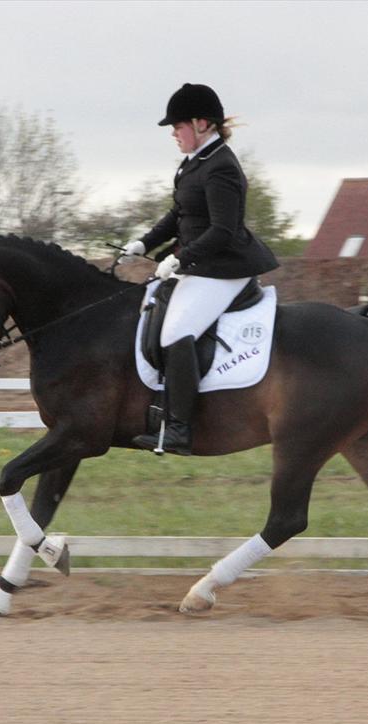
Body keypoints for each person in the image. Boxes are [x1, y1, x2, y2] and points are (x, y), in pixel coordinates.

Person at [119, 83, 279, 455]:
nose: (174, 134)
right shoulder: (193, 164)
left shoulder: (222, 166)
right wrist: (144, 243)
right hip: (200, 264)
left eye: (178, 127)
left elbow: (223, 230)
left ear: (202, 123)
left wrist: (179, 259)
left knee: (177, 331)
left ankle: (179, 428)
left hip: (225, 268)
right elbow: (179, 215)